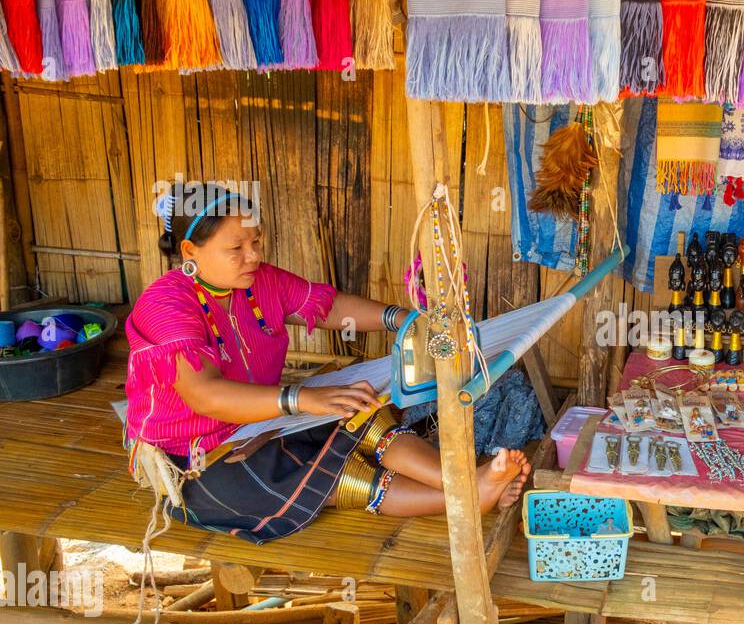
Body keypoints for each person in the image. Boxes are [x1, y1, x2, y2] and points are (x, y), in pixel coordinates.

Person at [124, 182, 529, 544]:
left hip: (262, 424)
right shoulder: (166, 304)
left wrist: (403, 319)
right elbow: (205, 395)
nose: (252, 256)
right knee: (308, 474)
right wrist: (303, 399)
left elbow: (330, 307)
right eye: (236, 248)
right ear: (190, 252)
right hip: (196, 462)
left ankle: (463, 483)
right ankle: (466, 496)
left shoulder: (258, 281)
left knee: (360, 406)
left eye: (256, 242)